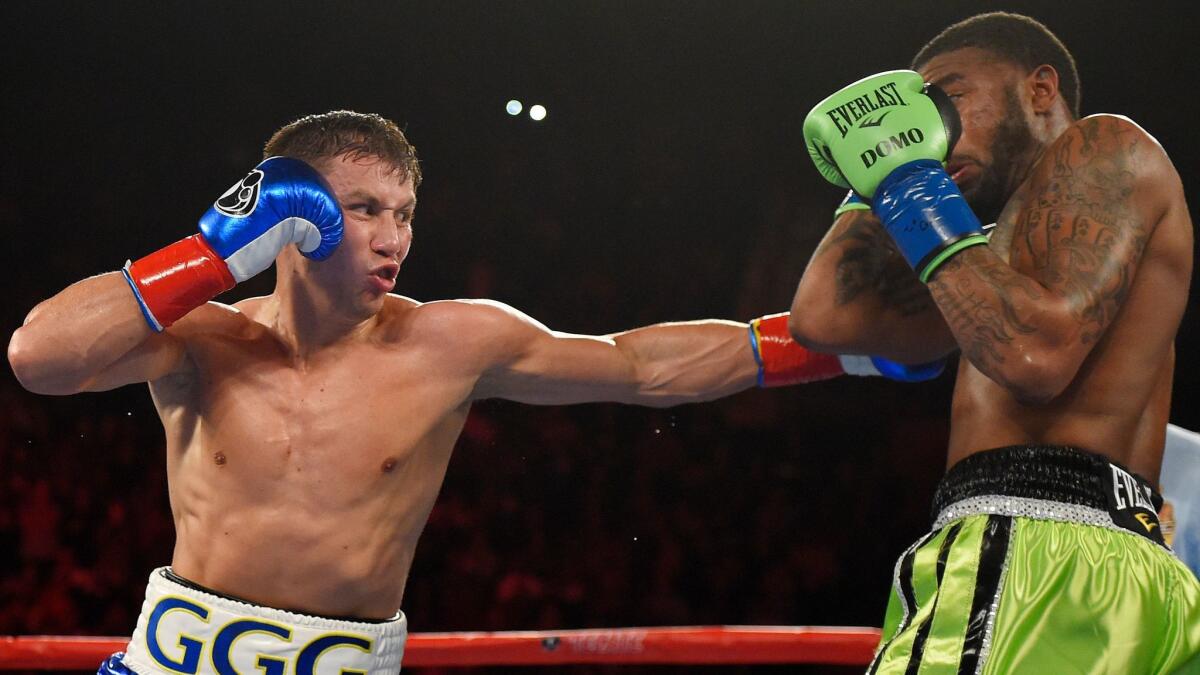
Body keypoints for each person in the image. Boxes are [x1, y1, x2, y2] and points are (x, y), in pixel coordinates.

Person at [6, 111, 935, 674]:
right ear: (289, 216)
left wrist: (831, 349)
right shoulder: (206, 339)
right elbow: (38, 357)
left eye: (403, 213)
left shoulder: (447, 341)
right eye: (364, 208)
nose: (391, 236)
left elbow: (638, 365)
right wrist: (209, 252)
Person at [792, 11, 1200, 673]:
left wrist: (907, 181)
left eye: (946, 97)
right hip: (1120, 574)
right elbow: (824, 316)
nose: (931, 127)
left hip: (1029, 562)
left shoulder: (1105, 146)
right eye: (915, 113)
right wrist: (877, 170)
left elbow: (1033, 356)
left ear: (1040, 90)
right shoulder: (983, 264)